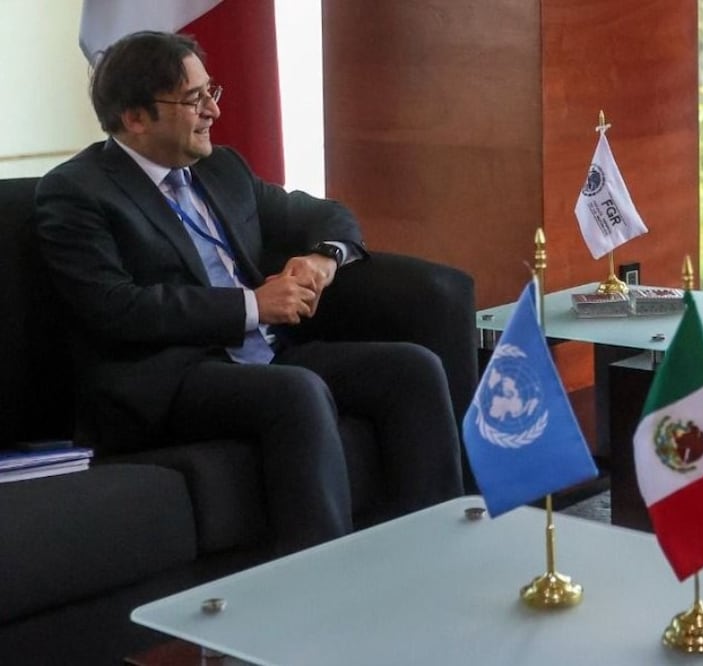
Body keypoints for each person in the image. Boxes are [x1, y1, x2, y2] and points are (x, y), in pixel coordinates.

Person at [35, 31, 463, 554]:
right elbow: (114, 306)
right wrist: (252, 305)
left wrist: (323, 258)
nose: (213, 110)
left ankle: (438, 552)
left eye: (210, 91)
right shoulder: (77, 192)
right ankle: (324, 577)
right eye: (193, 99)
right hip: (169, 377)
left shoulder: (221, 168)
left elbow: (325, 214)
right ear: (136, 118)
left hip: (266, 354)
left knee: (412, 369)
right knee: (295, 392)